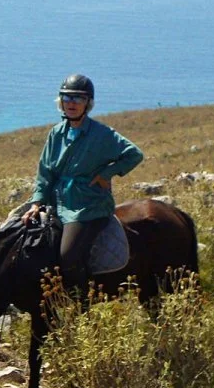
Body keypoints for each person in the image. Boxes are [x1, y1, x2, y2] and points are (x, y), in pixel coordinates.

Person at [20, 74, 143, 296]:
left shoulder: (102, 134)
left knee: (68, 258)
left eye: (78, 98)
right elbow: (45, 171)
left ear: (88, 103)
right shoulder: (57, 133)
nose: (72, 103)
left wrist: (107, 173)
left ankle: (83, 303)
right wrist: (37, 202)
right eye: (67, 98)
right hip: (57, 202)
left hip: (87, 206)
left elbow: (134, 154)